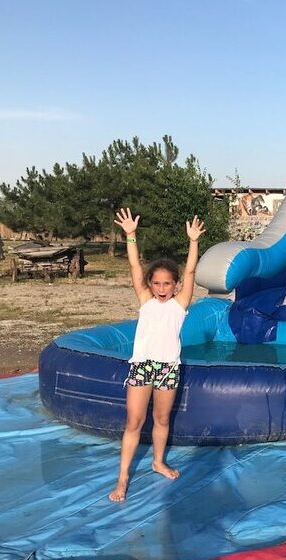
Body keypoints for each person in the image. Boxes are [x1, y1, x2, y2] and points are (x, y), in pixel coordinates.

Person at [108, 207, 205, 502]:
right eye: (156, 283)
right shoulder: (145, 299)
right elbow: (134, 265)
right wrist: (131, 236)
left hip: (168, 369)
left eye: (167, 283)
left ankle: (158, 462)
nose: (162, 288)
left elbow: (190, 271)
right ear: (149, 285)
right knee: (134, 422)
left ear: (176, 285)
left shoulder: (180, 303)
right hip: (142, 366)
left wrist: (193, 242)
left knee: (162, 419)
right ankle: (123, 478)